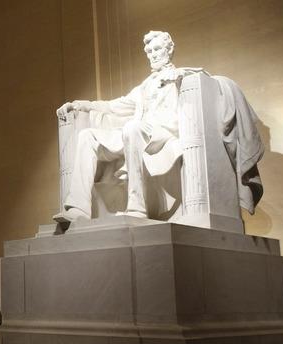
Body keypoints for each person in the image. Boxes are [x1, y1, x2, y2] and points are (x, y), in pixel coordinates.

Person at [54, 31, 200, 222]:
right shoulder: (144, 87)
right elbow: (113, 105)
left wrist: (180, 75)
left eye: (157, 49)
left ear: (169, 49)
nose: (153, 54)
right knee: (88, 136)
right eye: (149, 51)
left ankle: (137, 207)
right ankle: (78, 208)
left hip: (163, 133)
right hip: (138, 132)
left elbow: (201, 77)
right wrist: (82, 104)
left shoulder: (182, 76)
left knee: (133, 128)